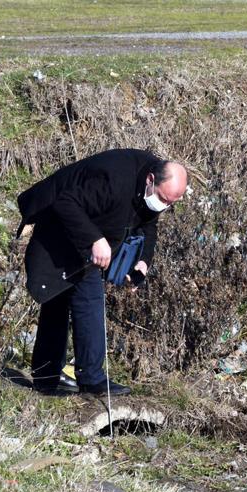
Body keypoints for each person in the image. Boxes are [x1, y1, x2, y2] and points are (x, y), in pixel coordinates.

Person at [16, 149, 188, 396]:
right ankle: (91, 380)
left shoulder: (152, 189)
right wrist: (95, 239)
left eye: (170, 203)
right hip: (58, 224)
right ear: (151, 180)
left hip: (84, 226)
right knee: (85, 298)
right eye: (163, 198)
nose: (164, 206)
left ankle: (48, 377)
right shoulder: (114, 181)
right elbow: (66, 202)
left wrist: (143, 261)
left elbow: (149, 222)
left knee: (60, 298)